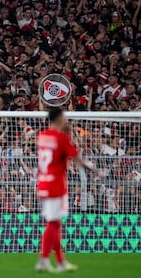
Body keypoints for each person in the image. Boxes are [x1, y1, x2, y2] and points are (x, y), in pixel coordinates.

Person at [35, 108, 96, 273]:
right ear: (59, 118)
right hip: (56, 185)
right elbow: (77, 159)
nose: (66, 120)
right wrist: (95, 170)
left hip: (43, 183)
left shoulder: (42, 136)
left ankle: (60, 261)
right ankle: (43, 259)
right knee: (53, 224)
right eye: (64, 117)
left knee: (54, 223)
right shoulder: (61, 138)